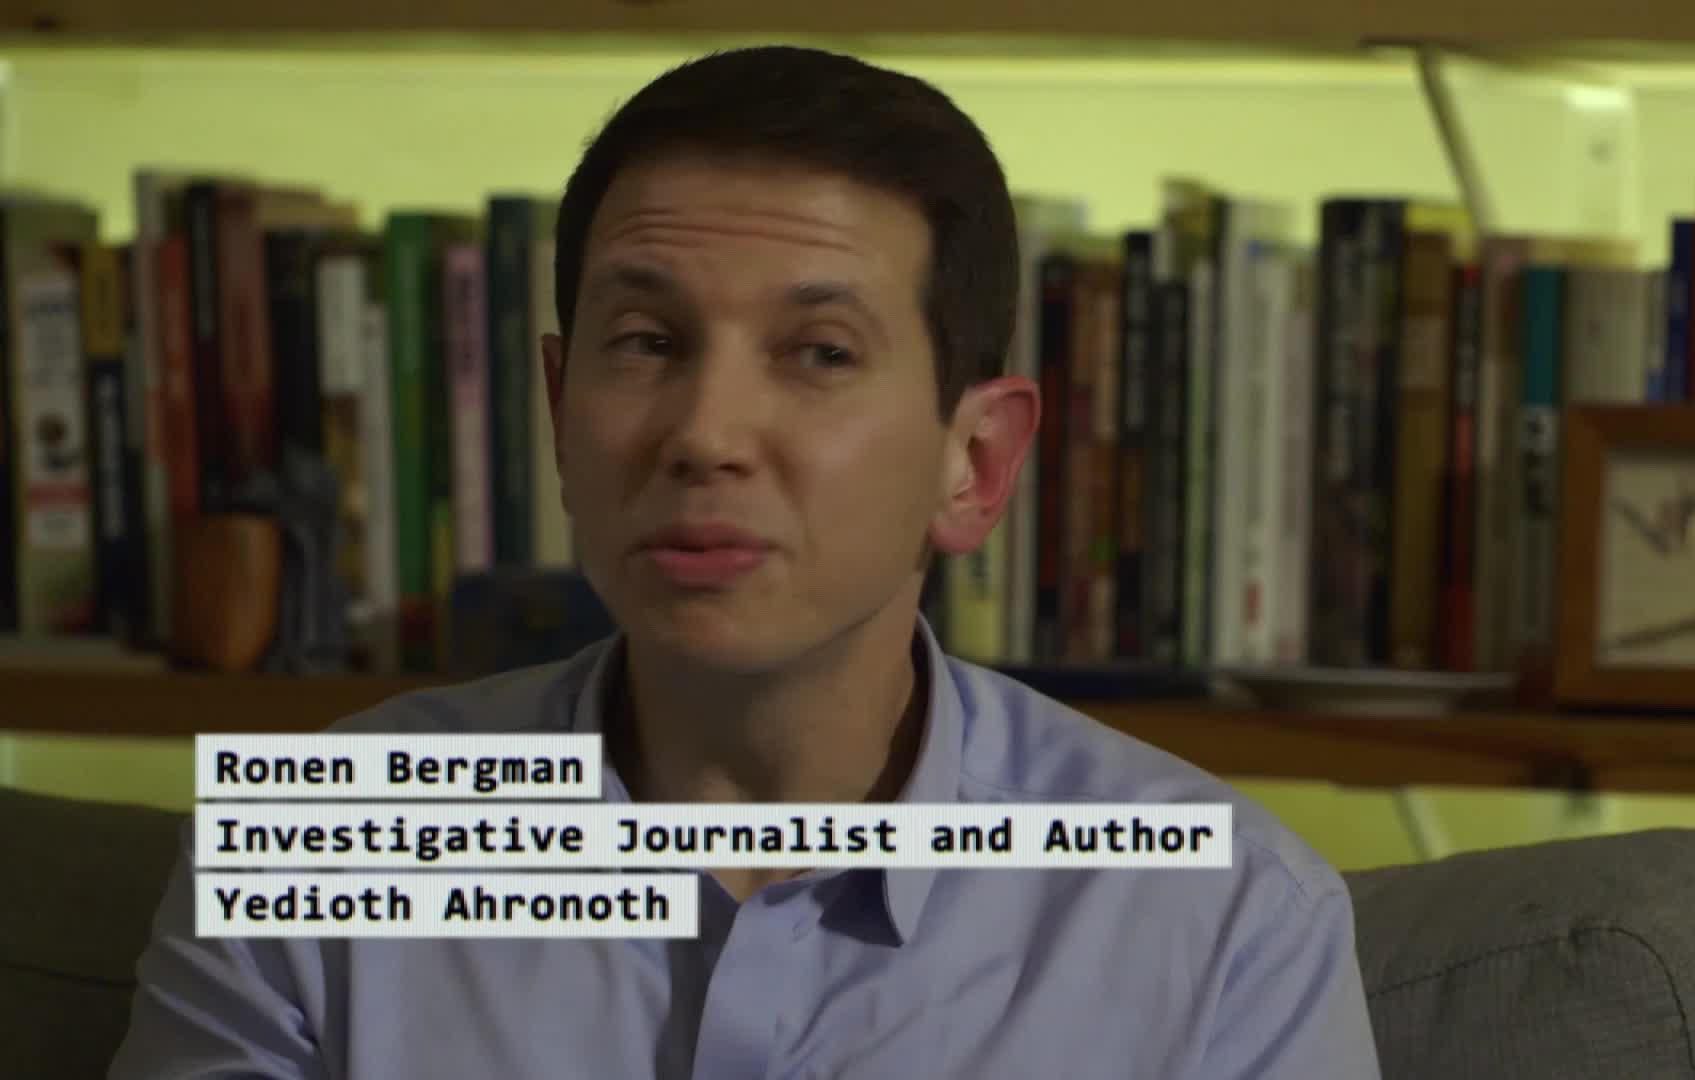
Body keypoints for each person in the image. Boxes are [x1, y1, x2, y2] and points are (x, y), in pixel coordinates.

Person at [110, 45, 1382, 1079]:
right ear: (558, 412)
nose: (705, 436)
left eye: (819, 352)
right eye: (647, 340)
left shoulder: (1226, 925)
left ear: (976, 460)